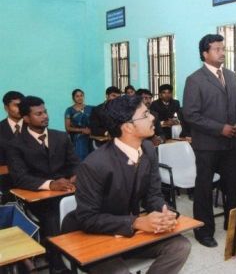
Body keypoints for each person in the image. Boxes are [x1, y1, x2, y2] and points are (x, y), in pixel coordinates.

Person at [65, 95, 190, 274]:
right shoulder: (95, 164)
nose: (153, 117)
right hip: (94, 234)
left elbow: (153, 195)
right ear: (128, 127)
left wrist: (164, 211)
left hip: (129, 228)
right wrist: (137, 222)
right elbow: (88, 219)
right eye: (146, 114)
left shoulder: (148, 150)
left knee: (180, 246)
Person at [182, 34, 236, 247]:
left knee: (234, 187)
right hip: (207, 146)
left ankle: (234, 224)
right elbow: (191, 114)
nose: (222, 52)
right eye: (217, 49)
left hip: (231, 144)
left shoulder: (230, 75)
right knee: (204, 189)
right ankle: (204, 231)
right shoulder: (195, 79)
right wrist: (220, 129)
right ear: (205, 53)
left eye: (223, 48)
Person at [7, 96, 80, 273]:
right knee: (53, 219)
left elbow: (75, 163)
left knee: (95, 206)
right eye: (38, 114)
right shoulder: (15, 144)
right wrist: (50, 184)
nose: (45, 116)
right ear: (26, 118)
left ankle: (86, 257)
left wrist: (77, 175)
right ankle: (58, 267)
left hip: (68, 191)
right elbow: (20, 177)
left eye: (45, 111)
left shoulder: (60, 137)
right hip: (39, 199)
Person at [64, 89, 93, 160]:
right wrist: (82, 130)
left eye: (81, 95)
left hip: (91, 136)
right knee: (80, 159)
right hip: (78, 138)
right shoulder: (69, 110)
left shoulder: (90, 108)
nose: (80, 98)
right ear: (73, 98)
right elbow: (68, 128)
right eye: (77, 96)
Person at [0, 91, 25, 163]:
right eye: (16, 105)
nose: (20, 109)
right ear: (6, 108)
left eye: (22, 106)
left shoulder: (34, 127)